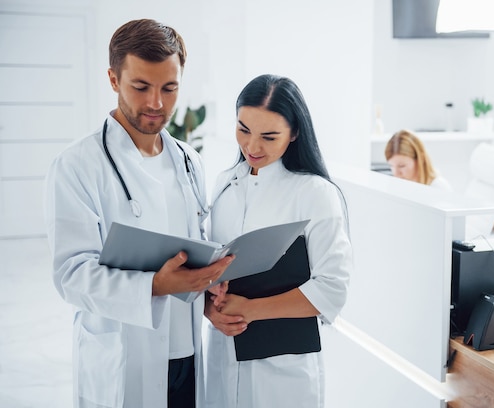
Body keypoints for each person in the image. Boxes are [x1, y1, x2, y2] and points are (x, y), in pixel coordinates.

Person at [44, 19, 233, 408]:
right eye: (141, 86)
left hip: (186, 351)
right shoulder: (77, 165)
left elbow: (197, 245)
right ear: (113, 80)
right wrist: (154, 286)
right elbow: (72, 275)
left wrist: (209, 283)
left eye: (169, 88)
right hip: (122, 353)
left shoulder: (189, 161)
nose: (156, 104)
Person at [203, 74, 352, 408]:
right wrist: (211, 309)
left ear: (294, 133)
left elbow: (332, 289)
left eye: (269, 137)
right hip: (223, 356)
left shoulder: (315, 194)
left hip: (284, 369)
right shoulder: (224, 184)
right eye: (243, 130)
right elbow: (212, 270)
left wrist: (250, 311)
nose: (252, 147)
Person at [384, 129, 453, 191]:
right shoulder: (399, 187)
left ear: (421, 159)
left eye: (402, 166)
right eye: (391, 166)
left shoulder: (439, 187)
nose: (396, 174)